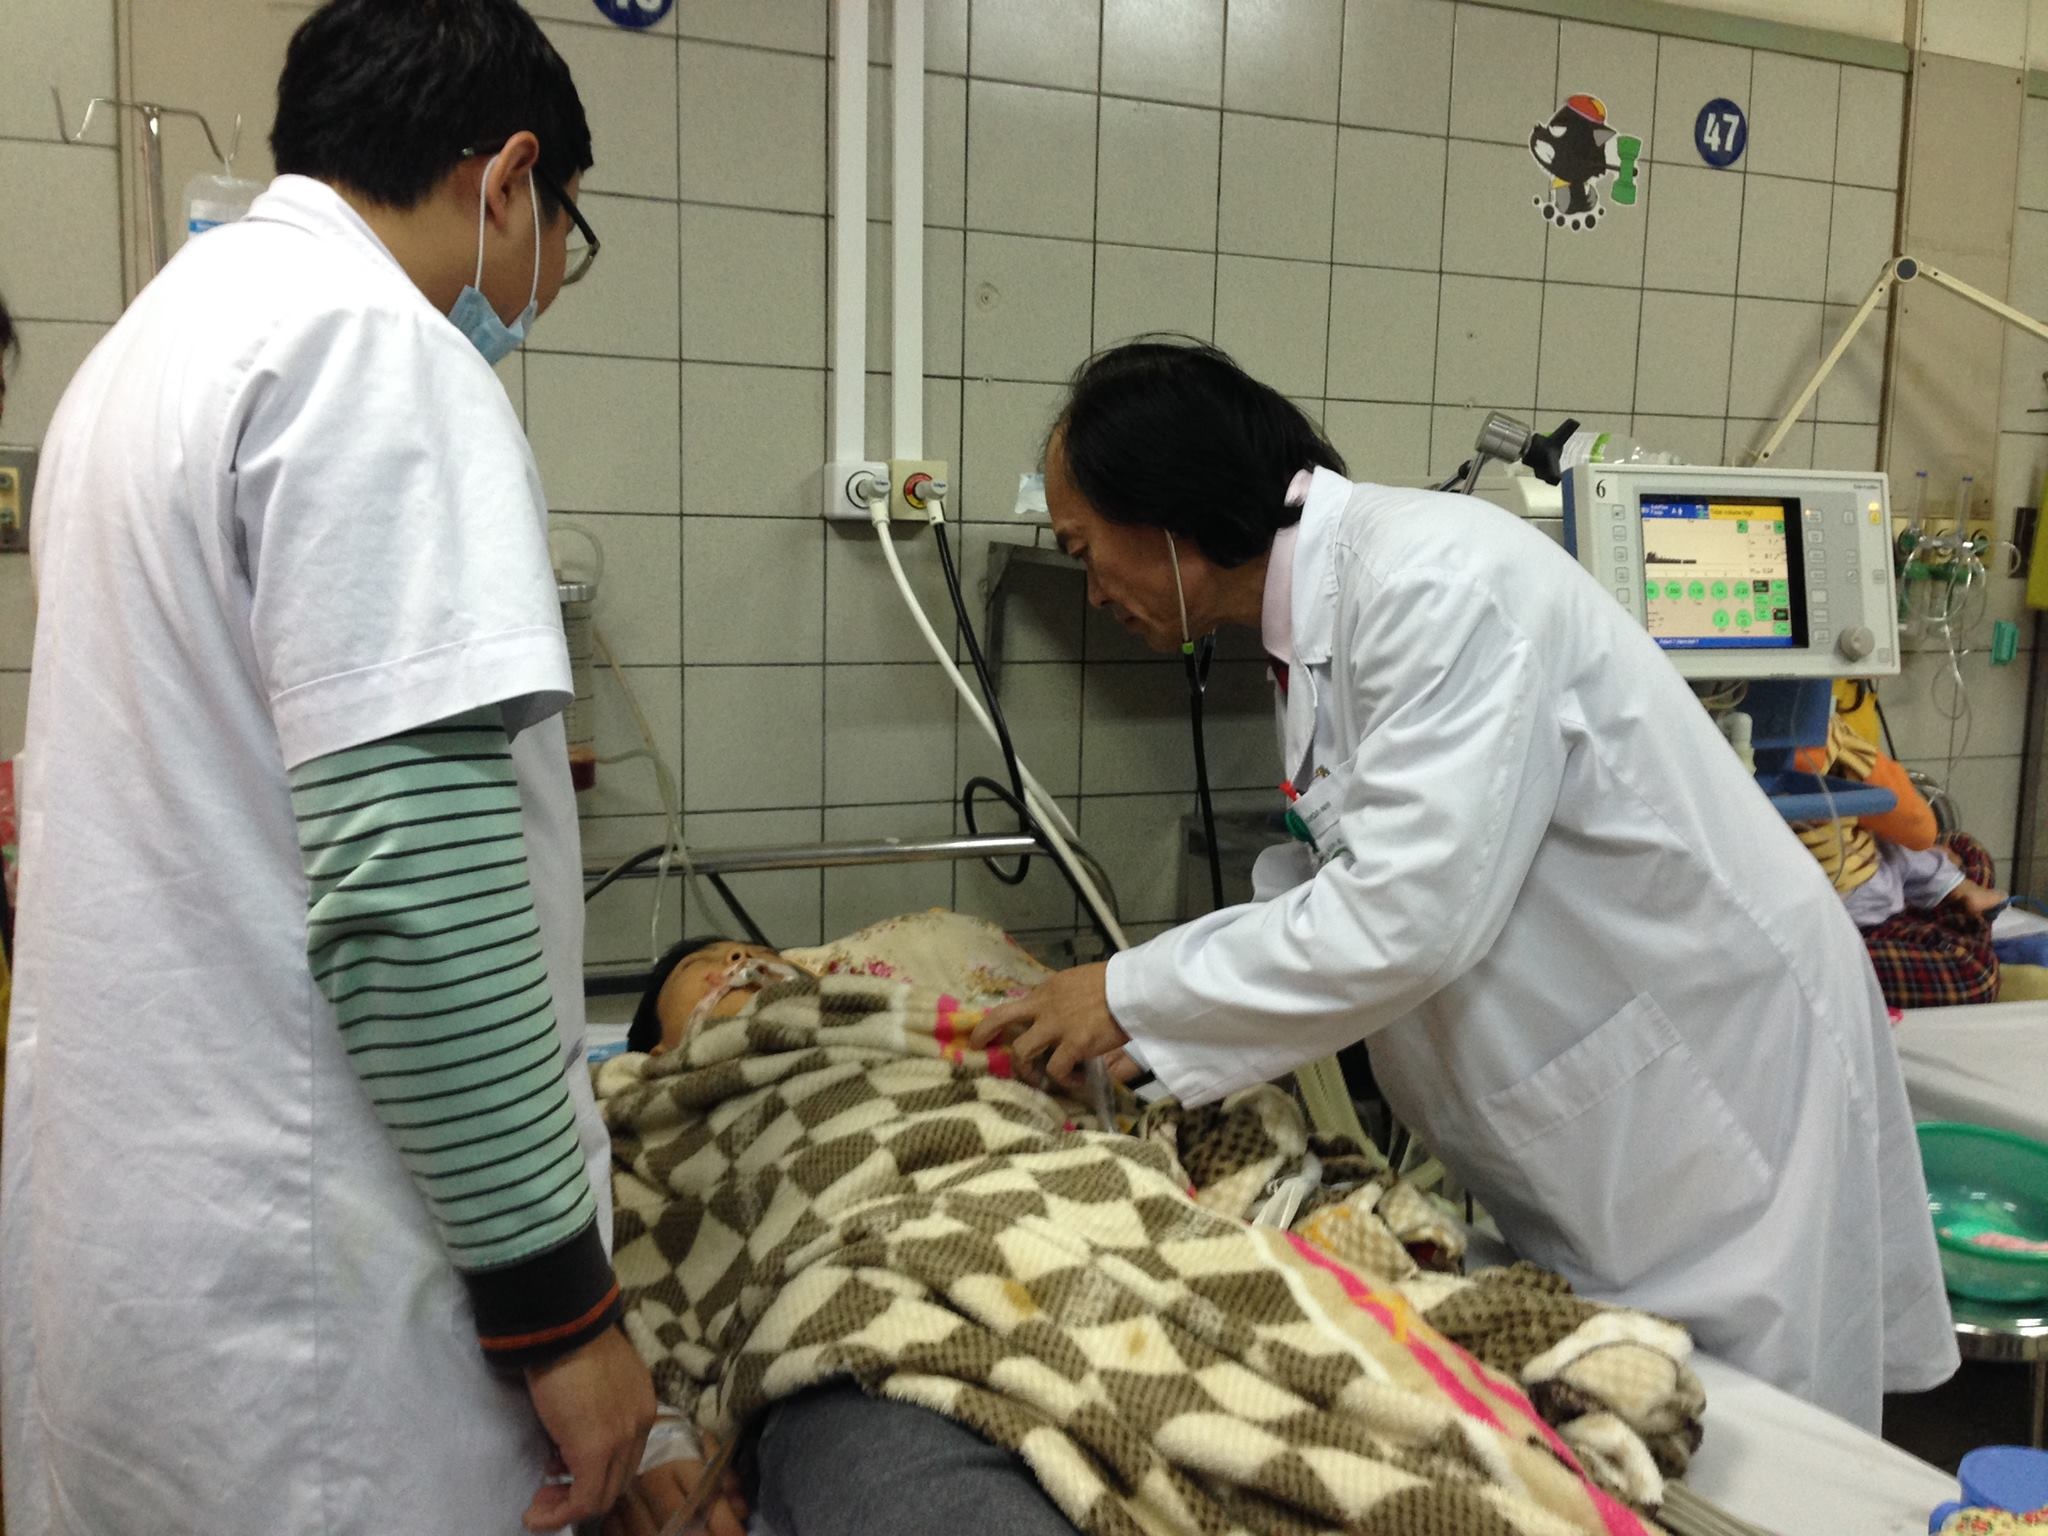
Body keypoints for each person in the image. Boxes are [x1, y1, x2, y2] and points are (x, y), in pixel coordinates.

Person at [973, 338, 1958, 1431]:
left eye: (1083, 549)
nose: (1092, 589)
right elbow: (1349, 869)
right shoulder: (1322, 618)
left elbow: (1405, 916)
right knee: (1625, 1406)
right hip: (1603, 1094)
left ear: (1168, 513)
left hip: (1711, 1081)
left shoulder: (1438, 583)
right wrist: (1153, 1014)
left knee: (1750, 1447)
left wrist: (1130, 995)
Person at [1, 4, 655, 1532]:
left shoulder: (141, 353)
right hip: (315, 1314)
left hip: (142, 1262)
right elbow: (414, 890)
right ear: (510, 179)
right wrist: (565, 1316)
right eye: (565, 231)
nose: (548, 280)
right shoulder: (381, 357)